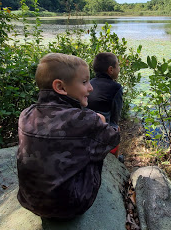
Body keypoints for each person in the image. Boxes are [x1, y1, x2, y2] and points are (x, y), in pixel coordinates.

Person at [16, 53, 120, 220]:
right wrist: (100, 121)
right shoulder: (86, 120)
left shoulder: (26, 114)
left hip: (28, 201)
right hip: (72, 205)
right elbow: (113, 138)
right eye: (85, 82)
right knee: (96, 147)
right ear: (61, 87)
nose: (91, 88)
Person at [86, 52, 123, 160]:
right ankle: (114, 159)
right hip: (101, 126)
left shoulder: (89, 83)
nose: (119, 68)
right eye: (118, 66)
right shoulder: (116, 88)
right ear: (111, 70)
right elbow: (115, 116)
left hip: (86, 124)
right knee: (116, 128)